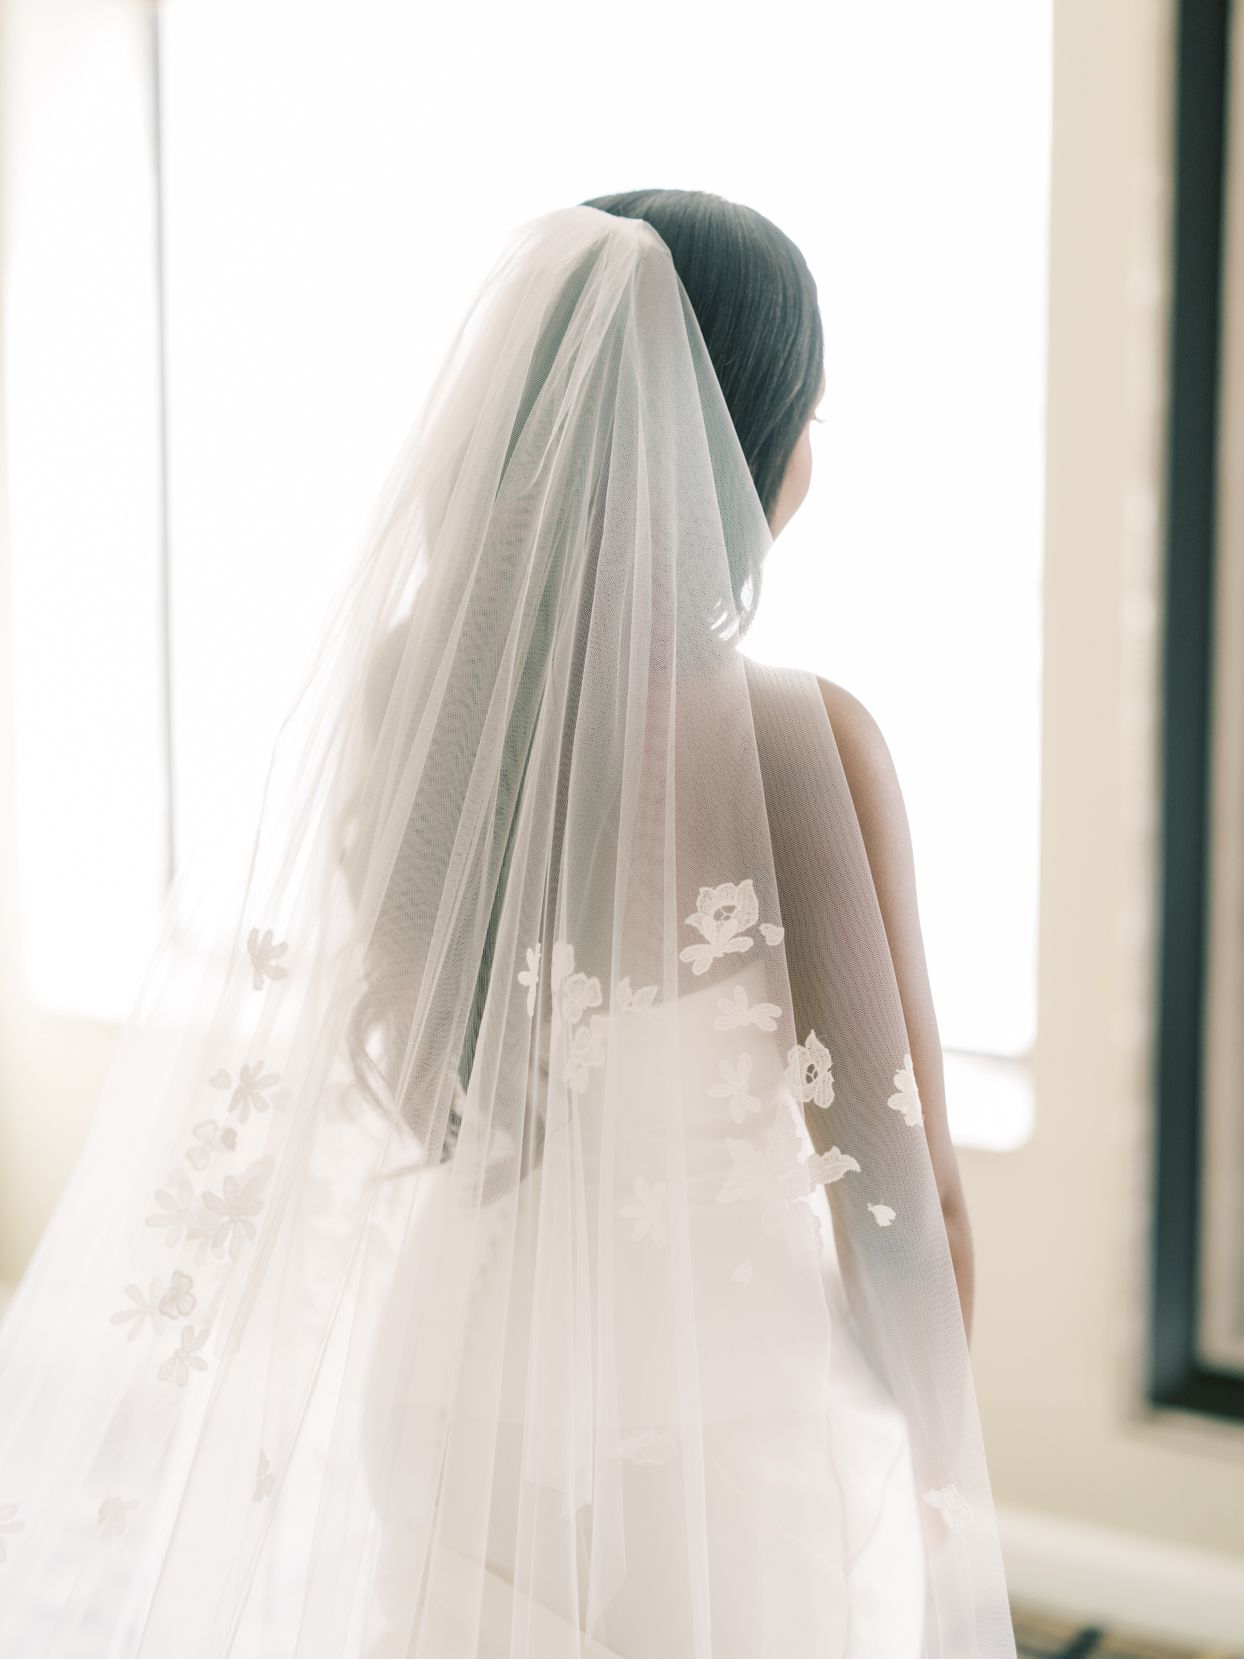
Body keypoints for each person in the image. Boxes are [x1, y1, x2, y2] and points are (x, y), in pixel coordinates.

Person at [0, 191, 1015, 1657]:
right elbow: (912, 1219)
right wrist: (938, 1485)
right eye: (810, 413)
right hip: (720, 1430)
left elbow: (437, 1068)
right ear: (737, 439)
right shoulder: (803, 744)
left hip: (451, 1378)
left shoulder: (425, 708)